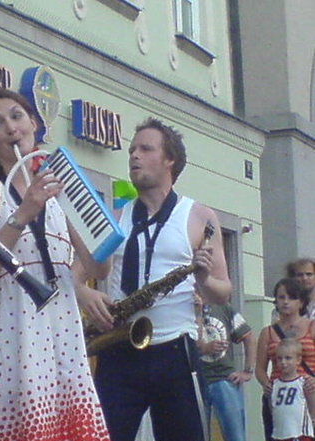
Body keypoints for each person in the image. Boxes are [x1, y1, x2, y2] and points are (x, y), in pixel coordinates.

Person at [0, 89, 112, 441]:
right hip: (11, 327)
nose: (11, 128)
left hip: (61, 326)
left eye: (17, 116)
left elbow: (99, 269)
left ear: (34, 122)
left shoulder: (59, 186)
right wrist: (23, 213)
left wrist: (90, 223)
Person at [76, 117, 231, 441]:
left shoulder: (199, 216)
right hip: (119, 348)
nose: (134, 156)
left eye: (146, 149)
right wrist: (85, 295)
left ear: (169, 159)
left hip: (175, 351)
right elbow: (77, 275)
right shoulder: (116, 216)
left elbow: (223, 292)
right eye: (132, 150)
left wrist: (202, 279)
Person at [256, 278, 315, 441]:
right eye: (281, 297)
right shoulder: (267, 332)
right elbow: (260, 368)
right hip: (280, 395)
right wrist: (267, 384)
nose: (286, 302)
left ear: (301, 302)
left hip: (308, 394)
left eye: (292, 297)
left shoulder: (312, 327)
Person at [197, 300, 256, 441]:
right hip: (196, 380)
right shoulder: (186, 308)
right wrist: (206, 348)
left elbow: (249, 338)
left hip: (225, 378)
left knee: (235, 435)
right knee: (196, 434)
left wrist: (247, 371)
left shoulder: (223, 307)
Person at [270, 338, 315, 441]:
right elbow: (272, 407)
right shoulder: (274, 385)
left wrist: (312, 421)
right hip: (279, 434)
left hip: (300, 434)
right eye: (279, 358)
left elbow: (312, 406)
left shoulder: (303, 382)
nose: (283, 362)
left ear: (298, 360)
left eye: (288, 358)